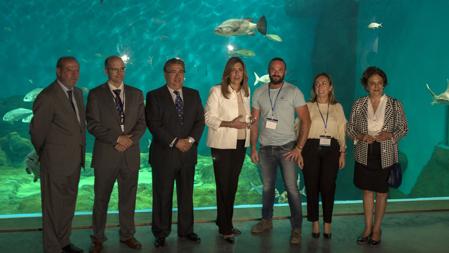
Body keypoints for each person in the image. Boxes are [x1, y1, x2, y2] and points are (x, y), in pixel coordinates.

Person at [86, 56, 146, 253]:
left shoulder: (136, 94)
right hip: (106, 155)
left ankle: (127, 235)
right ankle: (97, 238)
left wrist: (130, 139)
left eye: (122, 69)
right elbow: (92, 124)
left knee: (128, 199)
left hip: (130, 154)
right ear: (106, 71)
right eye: (114, 69)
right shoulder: (95, 94)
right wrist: (117, 138)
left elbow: (142, 122)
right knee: (101, 199)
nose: (119, 73)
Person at [250, 57, 311, 244]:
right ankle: (266, 221)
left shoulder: (294, 91)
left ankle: (297, 229)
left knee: (292, 189)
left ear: (285, 72)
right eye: (273, 69)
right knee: (267, 188)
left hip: (287, 148)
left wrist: (299, 148)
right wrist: (253, 148)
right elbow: (254, 123)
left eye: (280, 69)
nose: (276, 72)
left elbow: (306, 121)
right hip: (265, 148)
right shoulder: (259, 92)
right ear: (268, 70)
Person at [145, 58, 205, 248]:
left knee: (186, 194)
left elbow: (199, 122)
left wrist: (190, 141)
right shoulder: (154, 96)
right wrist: (175, 142)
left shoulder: (194, 94)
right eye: (173, 71)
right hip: (164, 154)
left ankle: (186, 230)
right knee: (162, 195)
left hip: (188, 153)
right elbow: (154, 124)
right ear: (165, 74)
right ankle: (161, 232)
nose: (178, 75)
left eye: (181, 71)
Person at [30, 56, 85, 253]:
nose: (74, 74)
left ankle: (63, 242)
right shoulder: (47, 96)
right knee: (53, 208)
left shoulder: (77, 93)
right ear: (58, 71)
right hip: (54, 162)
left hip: (74, 161)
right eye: (69, 69)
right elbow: (37, 132)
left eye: (77, 70)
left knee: (68, 205)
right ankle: (53, 248)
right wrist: (46, 155)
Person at [347, 66, 408, 246]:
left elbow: (404, 128)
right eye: (372, 83)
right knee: (366, 190)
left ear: (384, 85)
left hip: (386, 152)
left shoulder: (394, 104)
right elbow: (350, 128)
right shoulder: (358, 104)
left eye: (380, 83)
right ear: (366, 85)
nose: (376, 86)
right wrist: (360, 136)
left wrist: (390, 135)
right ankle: (367, 227)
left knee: (382, 193)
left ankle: (377, 229)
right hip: (364, 151)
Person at [204, 57, 251, 244]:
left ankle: (223, 220)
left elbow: (244, 117)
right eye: (233, 69)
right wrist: (229, 124)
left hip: (240, 144)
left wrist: (250, 122)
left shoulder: (247, 92)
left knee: (232, 185)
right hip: (222, 145)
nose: (237, 73)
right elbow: (208, 118)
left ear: (244, 73)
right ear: (227, 73)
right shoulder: (216, 91)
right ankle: (226, 227)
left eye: (240, 69)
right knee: (224, 185)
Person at [301, 73, 347, 239]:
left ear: (330, 87)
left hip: (332, 149)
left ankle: (328, 222)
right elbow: (297, 128)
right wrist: (298, 150)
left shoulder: (338, 107)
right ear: (314, 88)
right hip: (310, 147)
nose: (320, 86)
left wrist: (343, 152)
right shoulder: (307, 106)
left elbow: (342, 130)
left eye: (324, 83)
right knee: (311, 186)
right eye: (317, 84)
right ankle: (314, 222)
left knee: (328, 186)